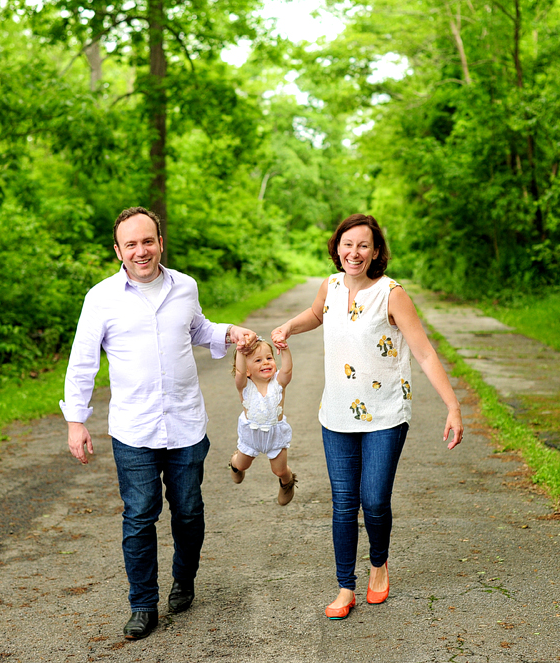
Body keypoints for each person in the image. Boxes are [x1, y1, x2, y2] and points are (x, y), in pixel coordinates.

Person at [60, 207, 257, 640]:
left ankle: (184, 579)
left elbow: (199, 329)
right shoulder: (101, 299)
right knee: (139, 515)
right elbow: (82, 364)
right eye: (130, 244)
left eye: (147, 241)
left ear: (160, 242)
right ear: (118, 251)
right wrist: (77, 421)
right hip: (134, 429)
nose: (141, 250)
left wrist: (229, 333)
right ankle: (143, 604)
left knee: (188, 512)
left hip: (186, 424)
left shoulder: (185, 286)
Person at [271, 213, 463, 620]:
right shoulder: (331, 285)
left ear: (375, 251)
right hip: (336, 415)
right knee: (343, 503)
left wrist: (453, 405)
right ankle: (345, 587)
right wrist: (289, 325)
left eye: (363, 245)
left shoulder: (392, 295)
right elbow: (317, 314)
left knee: (373, 500)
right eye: (347, 244)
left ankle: (379, 563)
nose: (353, 252)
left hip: (386, 415)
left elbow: (425, 352)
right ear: (337, 247)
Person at [229, 338, 298, 505]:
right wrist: (240, 350)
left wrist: (285, 349)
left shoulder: (278, 382)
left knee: (279, 470)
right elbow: (238, 372)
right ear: (247, 370)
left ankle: (287, 482)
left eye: (269, 358)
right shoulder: (244, 386)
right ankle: (234, 463)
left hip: (275, 435)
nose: (265, 363)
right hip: (251, 436)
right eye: (258, 360)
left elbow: (287, 370)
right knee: (242, 465)